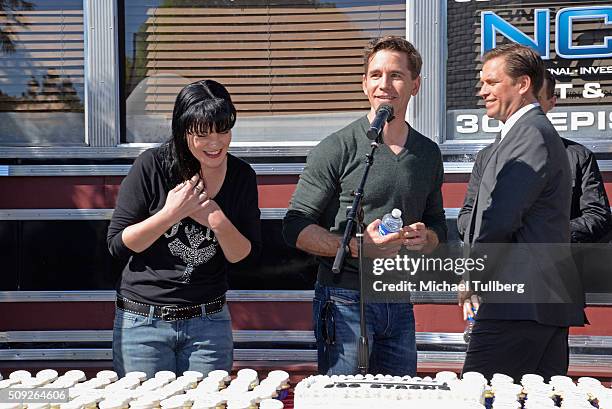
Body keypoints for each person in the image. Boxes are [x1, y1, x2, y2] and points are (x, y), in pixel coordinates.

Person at [282, 36, 447, 376]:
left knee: (400, 398)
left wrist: (425, 238)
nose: (384, 84)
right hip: (343, 300)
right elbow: (294, 228)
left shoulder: (428, 154)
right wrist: (358, 247)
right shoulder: (338, 147)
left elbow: (438, 227)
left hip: (399, 300)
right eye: (375, 75)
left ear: (415, 85)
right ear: (364, 84)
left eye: (396, 75)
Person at [107, 79, 262, 377]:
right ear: (182, 130)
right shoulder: (151, 166)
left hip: (209, 323)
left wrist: (215, 219)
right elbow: (117, 244)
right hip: (143, 322)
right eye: (202, 134)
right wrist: (171, 213)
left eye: (223, 130)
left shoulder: (242, 175)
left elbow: (245, 256)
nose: (215, 142)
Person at [457, 44, 584, 381]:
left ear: (523, 83)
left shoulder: (529, 135)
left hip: (520, 304)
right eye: (482, 83)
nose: (482, 90)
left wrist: (471, 276)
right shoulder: (526, 134)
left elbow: (499, 218)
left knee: (478, 395)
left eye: (492, 82)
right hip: (535, 306)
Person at [537, 70, 612, 243]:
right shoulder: (489, 156)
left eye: (537, 100)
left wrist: (549, 234)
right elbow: (468, 216)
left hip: (561, 263)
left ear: (552, 102)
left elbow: (598, 216)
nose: (529, 108)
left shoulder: (579, 156)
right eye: (524, 101)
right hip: (504, 263)